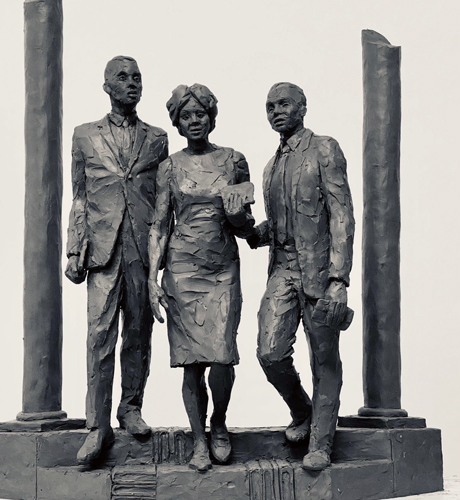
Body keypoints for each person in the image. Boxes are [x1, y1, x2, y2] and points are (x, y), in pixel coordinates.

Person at [65, 56, 168, 465]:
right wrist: (75, 248)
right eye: (123, 78)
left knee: (139, 333)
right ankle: (97, 424)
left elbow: (164, 204)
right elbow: (78, 196)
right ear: (106, 86)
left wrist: (165, 258)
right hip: (103, 253)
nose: (132, 84)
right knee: (99, 336)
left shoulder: (158, 138)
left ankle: (130, 407)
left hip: (143, 250)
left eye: (137, 77)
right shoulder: (84, 136)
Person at [248, 82, 355, 471]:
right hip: (283, 270)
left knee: (324, 359)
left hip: (320, 271)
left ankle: (322, 444)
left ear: (303, 108)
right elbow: (274, 226)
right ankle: (304, 410)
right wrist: (243, 225)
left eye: (283, 104)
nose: (275, 111)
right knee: (269, 351)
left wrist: (338, 279)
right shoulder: (270, 166)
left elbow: (342, 215)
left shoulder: (324, 148)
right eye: (269, 105)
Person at [148, 84, 255, 472]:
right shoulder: (170, 167)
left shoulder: (233, 160)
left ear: (212, 116)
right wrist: (151, 279)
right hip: (181, 270)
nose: (194, 121)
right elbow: (159, 225)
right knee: (192, 362)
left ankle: (220, 424)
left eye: (200, 114)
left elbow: (245, 224)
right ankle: (197, 440)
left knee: (223, 356)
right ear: (177, 122)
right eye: (186, 115)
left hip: (222, 266)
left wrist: (240, 216)